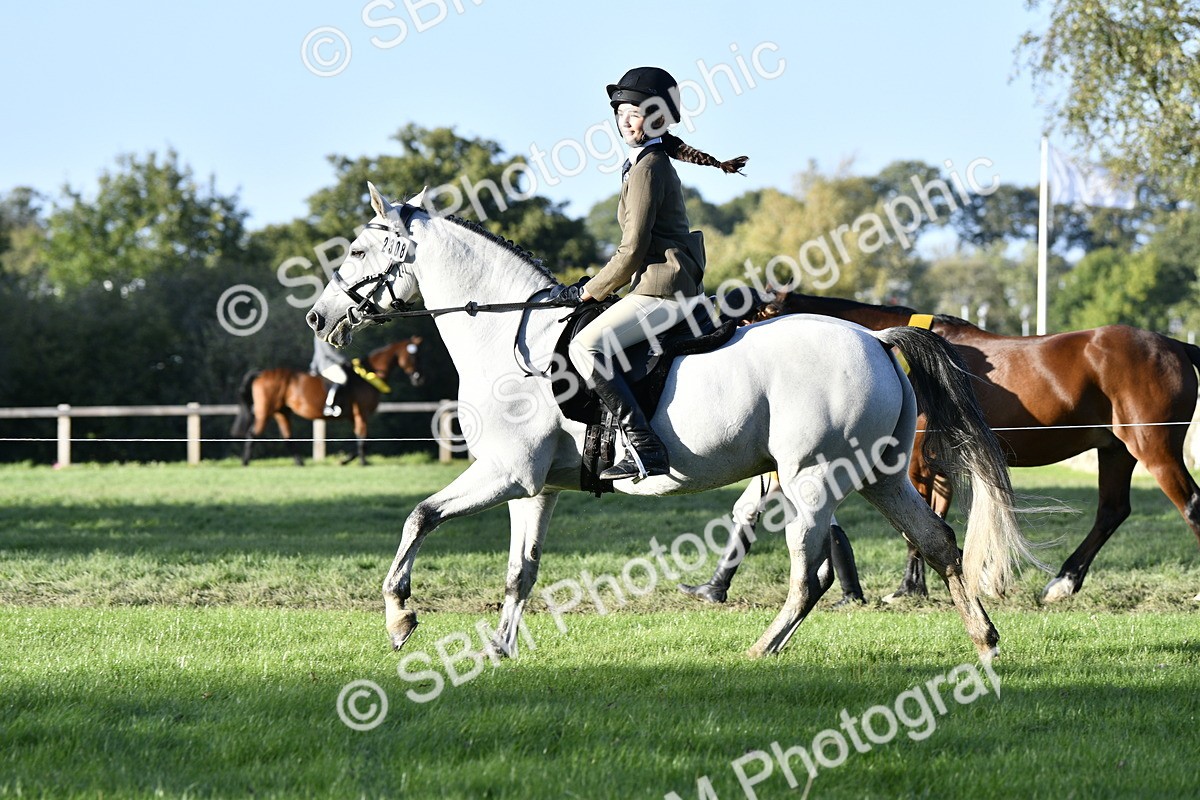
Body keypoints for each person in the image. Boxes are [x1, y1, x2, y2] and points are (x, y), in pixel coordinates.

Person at [556, 66, 748, 482]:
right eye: (621, 113)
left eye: (636, 113)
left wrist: (589, 291)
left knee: (585, 346)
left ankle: (644, 446)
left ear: (657, 118)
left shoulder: (648, 168)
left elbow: (632, 251)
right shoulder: (645, 163)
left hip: (663, 290)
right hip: (665, 284)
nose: (626, 121)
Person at [310, 335, 350, 417]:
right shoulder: (324, 335)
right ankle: (329, 406)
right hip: (327, 365)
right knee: (342, 378)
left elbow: (317, 353)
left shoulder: (318, 335)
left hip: (323, 365)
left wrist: (313, 367)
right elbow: (329, 352)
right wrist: (344, 360)